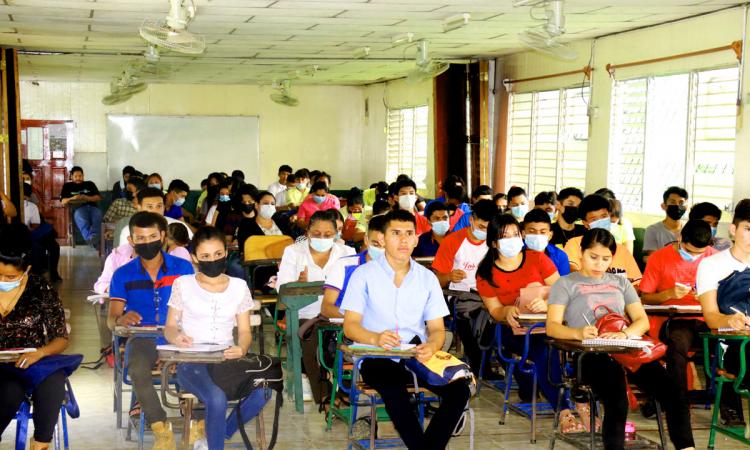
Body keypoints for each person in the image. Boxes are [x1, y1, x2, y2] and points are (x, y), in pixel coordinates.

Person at [547, 229, 696, 450]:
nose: (599, 264)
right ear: (581, 252)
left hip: (627, 350)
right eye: (593, 257)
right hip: (591, 354)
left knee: (674, 392)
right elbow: (552, 327)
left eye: (606, 259)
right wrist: (578, 333)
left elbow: (641, 321)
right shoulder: (565, 284)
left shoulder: (620, 283)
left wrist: (624, 334)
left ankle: (686, 447)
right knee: (617, 401)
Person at [340, 210, 471, 450]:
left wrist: (431, 346)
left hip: (417, 354)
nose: (403, 240)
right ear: (383, 238)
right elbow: (350, 326)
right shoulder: (364, 275)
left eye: (409, 234)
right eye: (396, 233)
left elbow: (437, 329)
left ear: (416, 239)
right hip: (377, 355)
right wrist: (375, 338)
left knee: (459, 390)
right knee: (393, 389)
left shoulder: (427, 278)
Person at [165, 226, 268, 450]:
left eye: (218, 254)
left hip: (227, 358)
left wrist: (241, 349)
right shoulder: (183, 284)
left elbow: (244, 332)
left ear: (226, 253)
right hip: (191, 361)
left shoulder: (239, 286)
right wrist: (177, 337)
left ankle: (218, 438)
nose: (212, 260)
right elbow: (170, 327)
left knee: (264, 391)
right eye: (205, 256)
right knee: (216, 398)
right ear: (194, 258)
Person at [107, 212, 195, 449]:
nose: (147, 242)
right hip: (142, 337)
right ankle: (160, 427)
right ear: (132, 241)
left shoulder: (184, 268)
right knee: (136, 369)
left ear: (163, 236)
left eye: (152, 236)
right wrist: (121, 319)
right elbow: (111, 320)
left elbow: (196, 309)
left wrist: (176, 350)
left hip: (179, 336)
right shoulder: (123, 274)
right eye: (140, 238)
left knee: (198, 366)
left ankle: (198, 424)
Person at [475, 214, 570, 425]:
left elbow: (563, 290)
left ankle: (566, 406)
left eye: (515, 235)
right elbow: (494, 309)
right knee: (544, 351)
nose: (512, 240)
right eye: (504, 236)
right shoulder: (485, 272)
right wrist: (506, 311)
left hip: (546, 324)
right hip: (512, 330)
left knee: (547, 347)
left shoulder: (537, 259)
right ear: (493, 242)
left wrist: (548, 303)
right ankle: (564, 409)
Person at [640, 219, 726, 420]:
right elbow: (645, 297)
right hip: (674, 320)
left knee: (731, 345)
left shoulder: (716, 259)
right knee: (677, 344)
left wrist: (709, 296)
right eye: (690, 252)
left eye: (700, 253)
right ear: (680, 238)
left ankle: (731, 408)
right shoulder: (659, 258)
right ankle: (677, 404)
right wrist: (668, 293)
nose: (695, 257)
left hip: (709, 318)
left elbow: (727, 296)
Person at [0, 224, 70, 450]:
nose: (3, 279)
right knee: (10, 391)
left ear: (27, 270)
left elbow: (60, 338)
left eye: (10, 276)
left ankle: (40, 444)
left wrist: (40, 353)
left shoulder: (40, 289)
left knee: (54, 381)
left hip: (33, 361)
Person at [276, 210, 355, 405]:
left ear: (336, 233)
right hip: (305, 312)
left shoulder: (347, 253)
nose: (322, 238)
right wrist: (297, 283)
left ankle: (345, 389)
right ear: (308, 231)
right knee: (310, 338)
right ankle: (324, 395)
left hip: (339, 313)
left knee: (345, 341)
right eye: (316, 234)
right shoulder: (294, 252)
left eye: (328, 235)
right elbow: (282, 288)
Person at [697, 199, 750, 425]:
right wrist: (731, 320)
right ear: (733, 229)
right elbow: (710, 316)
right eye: (749, 229)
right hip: (733, 345)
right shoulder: (711, 265)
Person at [432, 200, 496, 377]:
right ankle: (478, 363)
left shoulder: (495, 243)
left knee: (492, 312)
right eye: (481, 226)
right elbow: (437, 280)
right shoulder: (453, 241)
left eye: (489, 228)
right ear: (472, 220)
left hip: (488, 295)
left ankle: (482, 362)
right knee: (469, 311)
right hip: (459, 294)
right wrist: (449, 276)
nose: (484, 231)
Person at [563, 194, 641, 280]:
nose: (601, 221)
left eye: (604, 216)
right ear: (585, 223)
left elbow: (635, 283)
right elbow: (572, 273)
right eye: (594, 219)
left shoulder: (622, 250)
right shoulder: (574, 244)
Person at [116, 187, 193, 249]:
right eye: (150, 207)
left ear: (164, 206)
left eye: (159, 206)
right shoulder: (128, 231)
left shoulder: (178, 226)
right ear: (139, 208)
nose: (155, 211)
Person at [24, 184, 62, 283]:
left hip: (31, 233)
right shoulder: (29, 205)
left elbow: (36, 224)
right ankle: (47, 274)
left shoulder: (31, 204)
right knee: (43, 245)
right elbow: (35, 225)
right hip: (24, 235)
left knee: (53, 245)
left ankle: (51, 273)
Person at [643, 186, 689, 263]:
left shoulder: (690, 230)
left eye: (681, 202)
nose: (677, 206)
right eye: (673, 202)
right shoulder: (652, 230)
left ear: (686, 207)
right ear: (663, 206)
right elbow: (654, 260)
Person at [60, 165, 102, 247]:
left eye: (80, 176)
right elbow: (63, 201)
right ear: (71, 177)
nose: (78, 178)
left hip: (93, 207)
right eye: (76, 176)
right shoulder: (67, 186)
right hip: (79, 209)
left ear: (83, 176)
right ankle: (90, 238)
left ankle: (93, 238)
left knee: (98, 215)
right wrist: (73, 198)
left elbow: (98, 197)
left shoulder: (90, 184)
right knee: (81, 217)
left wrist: (86, 197)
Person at [523, 209, 570, 276]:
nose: (537, 235)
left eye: (543, 232)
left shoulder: (560, 256)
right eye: (532, 231)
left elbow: (564, 284)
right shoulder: (515, 254)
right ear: (523, 234)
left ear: (550, 235)